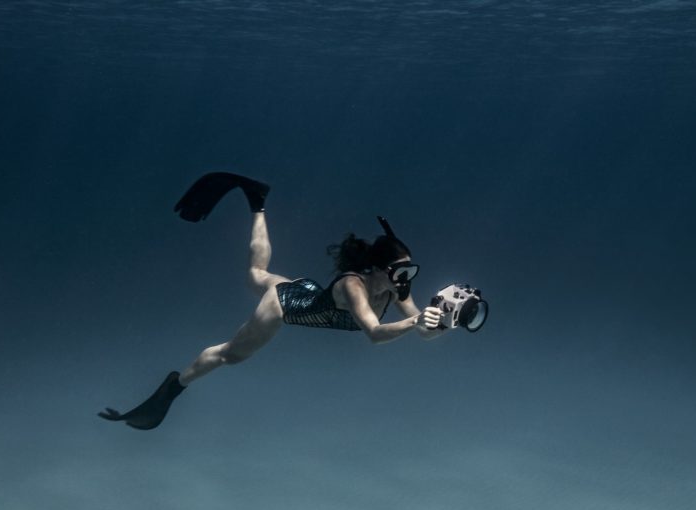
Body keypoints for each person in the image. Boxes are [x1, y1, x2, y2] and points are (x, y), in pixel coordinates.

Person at [98, 172, 445, 430]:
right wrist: (414, 322)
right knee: (230, 355)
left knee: (255, 273)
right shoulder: (355, 285)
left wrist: (443, 321)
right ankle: (173, 388)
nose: (406, 280)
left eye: (410, 272)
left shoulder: (394, 287)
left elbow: (423, 330)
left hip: (306, 291)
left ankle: (257, 201)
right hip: (285, 307)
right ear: (376, 268)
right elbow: (374, 332)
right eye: (401, 272)